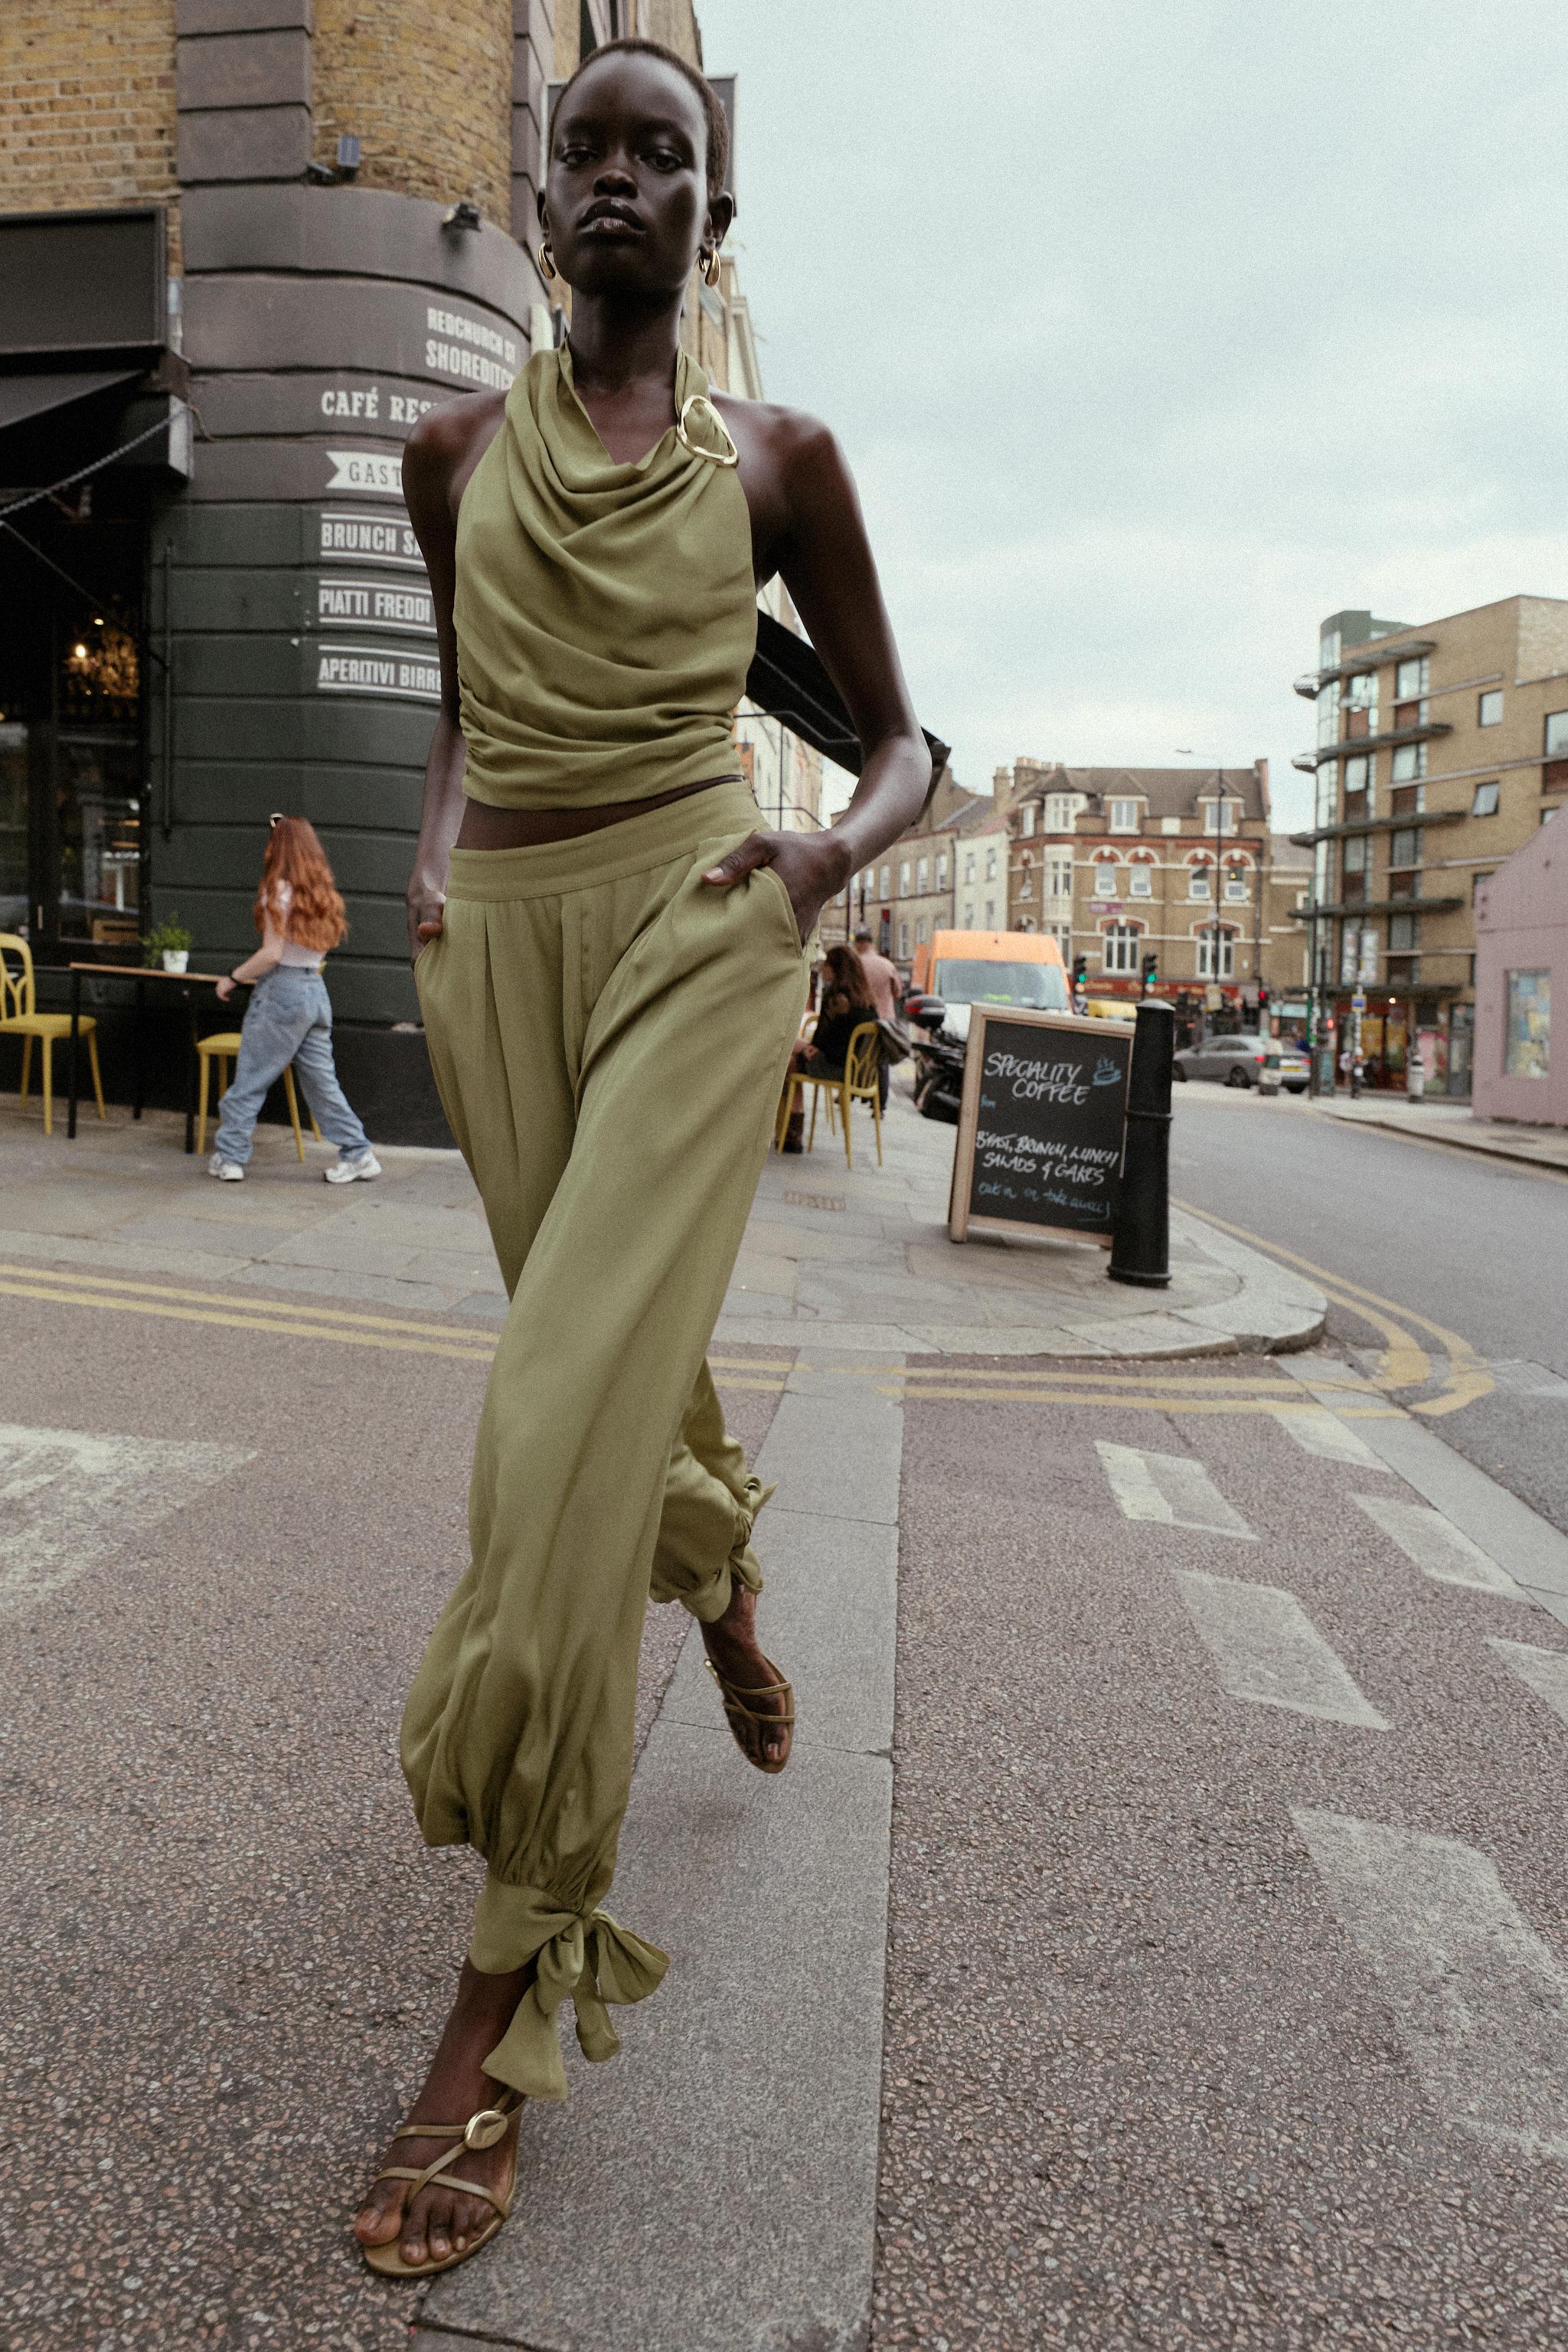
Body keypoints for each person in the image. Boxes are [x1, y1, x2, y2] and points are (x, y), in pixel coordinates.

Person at [352, 36, 929, 2279]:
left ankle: (494, 2009)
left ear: (714, 208)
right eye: (584, 146)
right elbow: (456, 695)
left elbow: (896, 742)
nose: (618, 180)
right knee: (606, 1371)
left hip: (705, 927)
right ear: (536, 184)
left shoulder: (783, 464)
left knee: (551, 1413)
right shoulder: (442, 457)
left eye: (660, 154)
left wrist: (815, 878)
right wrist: (417, 855)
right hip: (494, 944)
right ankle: (729, 1593)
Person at [208, 815, 380, 1184]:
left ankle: (231, 1157)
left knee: (252, 1078)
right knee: (323, 1084)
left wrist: (233, 978)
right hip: (315, 991)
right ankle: (358, 1153)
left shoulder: (276, 893)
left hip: (282, 992)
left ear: (279, 848)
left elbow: (271, 954)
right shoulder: (323, 896)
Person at [779, 941, 877, 1151]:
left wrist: (809, 1047)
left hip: (835, 1066)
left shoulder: (836, 998)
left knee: (788, 1061)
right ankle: (790, 1135)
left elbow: (821, 1040)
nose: (822, 969)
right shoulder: (866, 998)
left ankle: (792, 1136)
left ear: (837, 969)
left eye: (827, 965)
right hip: (857, 1070)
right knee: (795, 1051)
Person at [852, 923, 902, 1023]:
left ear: (858, 944)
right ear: (872, 944)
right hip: (886, 1020)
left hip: (862, 1020)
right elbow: (897, 993)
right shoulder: (888, 965)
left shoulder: (854, 965)